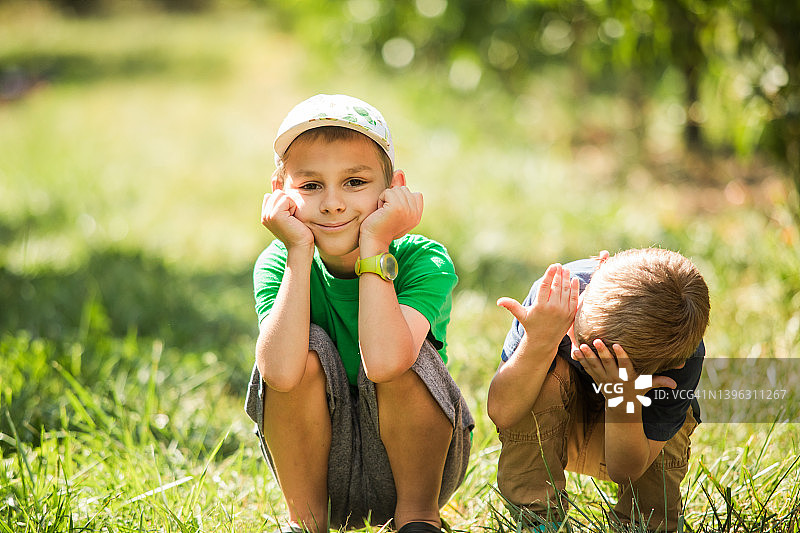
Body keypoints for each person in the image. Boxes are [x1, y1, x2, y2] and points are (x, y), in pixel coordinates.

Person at [244, 94, 474, 533]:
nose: (332, 203)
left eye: (355, 182)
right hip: (320, 474)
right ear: (280, 194)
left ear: (393, 188)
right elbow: (279, 373)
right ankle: (306, 522)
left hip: (412, 471)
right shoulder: (281, 262)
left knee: (404, 349)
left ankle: (418, 520)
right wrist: (297, 251)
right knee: (300, 348)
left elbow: (387, 362)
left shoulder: (425, 261)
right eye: (310, 186)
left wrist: (375, 245)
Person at [487, 248, 710, 532]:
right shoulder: (555, 299)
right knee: (539, 376)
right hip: (554, 426)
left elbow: (625, 471)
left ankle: (646, 524)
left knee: (675, 419)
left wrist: (622, 397)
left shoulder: (680, 355)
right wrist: (538, 342)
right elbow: (503, 412)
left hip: (631, 441)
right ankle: (538, 520)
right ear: (601, 266)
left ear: (675, 363)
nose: (581, 354)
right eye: (580, 340)